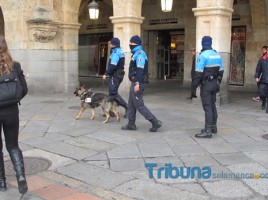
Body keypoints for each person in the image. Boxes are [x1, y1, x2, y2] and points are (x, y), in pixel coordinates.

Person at [0, 35, 28, 194]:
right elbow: (24, 89)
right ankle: (21, 177)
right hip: (12, 112)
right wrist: (12, 100)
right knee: (13, 145)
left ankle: (2, 182)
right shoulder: (15, 66)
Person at [121, 35, 162, 132]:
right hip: (136, 81)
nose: (129, 44)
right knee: (131, 103)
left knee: (139, 104)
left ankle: (155, 121)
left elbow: (140, 69)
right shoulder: (135, 53)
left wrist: (137, 83)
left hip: (139, 81)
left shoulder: (139, 54)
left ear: (135, 43)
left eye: (131, 43)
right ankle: (131, 124)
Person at [192, 36, 224, 138]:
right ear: (210, 43)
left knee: (207, 107)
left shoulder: (202, 56)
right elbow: (221, 71)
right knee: (212, 105)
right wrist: (217, 81)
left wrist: (193, 88)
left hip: (206, 85)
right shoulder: (217, 55)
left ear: (203, 44)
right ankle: (213, 127)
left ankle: (208, 130)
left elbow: (198, 74)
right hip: (214, 84)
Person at [103, 37, 128, 118]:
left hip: (115, 75)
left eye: (111, 43)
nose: (110, 44)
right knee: (111, 93)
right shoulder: (119, 51)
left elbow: (113, 66)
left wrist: (106, 73)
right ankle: (110, 111)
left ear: (113, 44)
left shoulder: (116, 52)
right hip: (118, 74)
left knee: (113, 93)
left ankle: (127, 107)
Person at [254, 46, 268, 112]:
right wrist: (257, 76)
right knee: (261, 93)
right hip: (264, 79)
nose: (263, 50)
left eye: (265, 49)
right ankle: (264, 101)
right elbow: (258, 69)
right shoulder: (262, 59)